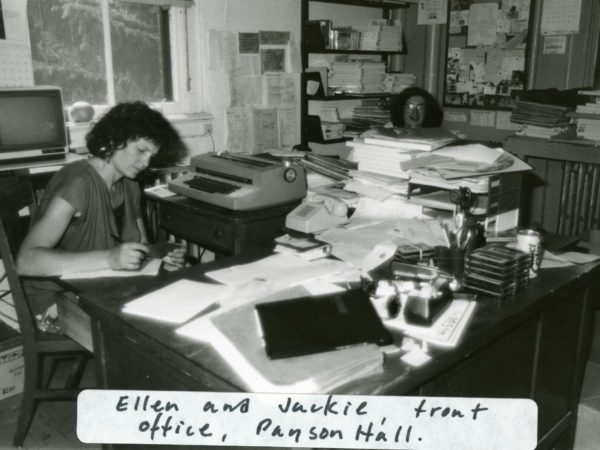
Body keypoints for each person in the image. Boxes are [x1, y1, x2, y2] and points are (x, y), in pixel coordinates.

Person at [17, 101, 187, 331]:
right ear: (114, 140)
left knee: (175, 311)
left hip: (101, 288)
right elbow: (26, 262)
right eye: (141, 150)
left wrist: (160, 257)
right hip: (57, 299)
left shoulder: (129, 184)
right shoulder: (77, 182)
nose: (146, 162)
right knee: (146, 332)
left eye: (151, 155)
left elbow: (140, 248)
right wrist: (109, 258)